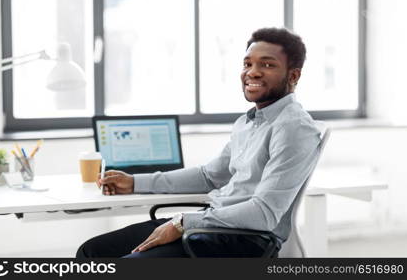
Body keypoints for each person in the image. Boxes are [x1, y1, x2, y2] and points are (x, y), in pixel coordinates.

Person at [76, 27, 321, 258]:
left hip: (246, 241)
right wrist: (134, 182)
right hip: (211, 224)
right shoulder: (248, 122)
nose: (252, 72)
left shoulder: (294, 128)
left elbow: (264, 213)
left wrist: (184, 222)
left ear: (294, 75)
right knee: (92, 252)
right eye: (247, 63)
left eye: (267, 64)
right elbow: (209, 176)